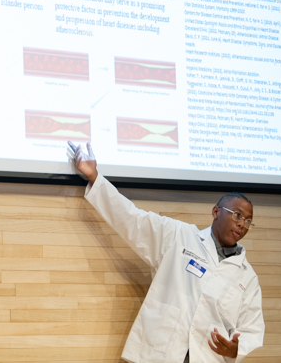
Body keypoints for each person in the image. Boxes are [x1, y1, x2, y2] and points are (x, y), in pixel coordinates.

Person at [68, 142, 264, 363]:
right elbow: (131, 219)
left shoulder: (247, 277)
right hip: (160, 354)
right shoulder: (179, 236)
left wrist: (235, 350)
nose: (243, 224)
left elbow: (252, 329)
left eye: (248, 221)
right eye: (237, 215)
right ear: (216, 212)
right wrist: (95, 177)